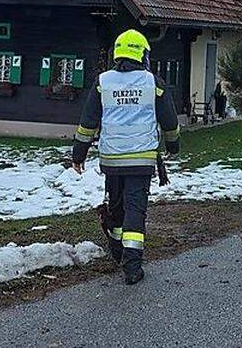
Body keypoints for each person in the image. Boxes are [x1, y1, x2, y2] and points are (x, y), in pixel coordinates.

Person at [71, 29, 180, 284]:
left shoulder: (103, 82)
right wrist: (173, 147)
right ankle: (132, 267)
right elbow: (170, 122)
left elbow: (88, 122)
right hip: (141, 160)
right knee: (135, 210)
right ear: (143, 54)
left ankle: (118, 249)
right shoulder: (153, 83)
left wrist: (78, 154)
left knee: (117, 206)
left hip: (112, 160)